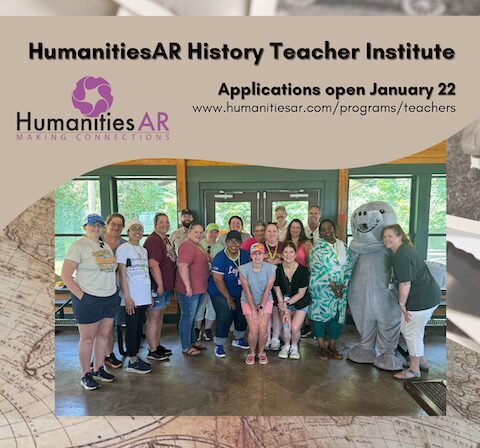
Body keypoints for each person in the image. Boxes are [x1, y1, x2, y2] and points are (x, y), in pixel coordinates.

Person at [61, 213, 120, 391]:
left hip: (109, 297)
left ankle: (98, 368)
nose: (96, 228)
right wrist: (82, 297)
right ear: (85, 226)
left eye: (99, 225)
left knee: (103, 335)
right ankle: (85, 374)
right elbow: (65, 275)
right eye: (92, 225)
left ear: (103, 227)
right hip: (88, 298)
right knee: (87, 339)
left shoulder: (105, 245)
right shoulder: (79, 246)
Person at [383, 224, 441, 379]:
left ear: (399, 236)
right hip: (429, 296)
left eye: (390, 236)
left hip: (421, 299)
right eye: (385, 236)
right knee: (411, 329)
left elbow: (405, 283)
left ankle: (414, 370)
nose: (386, 239)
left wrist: (401, 304)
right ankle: (421, 360)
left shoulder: (401, 255)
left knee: (411, 333)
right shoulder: (404, 250)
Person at [308, 219, 352, 361]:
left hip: (341, 289)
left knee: (337, 317)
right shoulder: (316, 249)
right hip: (322, 289)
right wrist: (332, 285)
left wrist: (342, 285)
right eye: (324, 230)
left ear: (335, 229)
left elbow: (348, 267)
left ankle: (332, 347)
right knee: (320, 317)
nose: (328, 231)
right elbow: (316, 269)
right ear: (320, 233)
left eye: (330, 228)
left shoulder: (343, 246)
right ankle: (321, 347)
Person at [116, 220, 152, 374]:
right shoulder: (123, 249)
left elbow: (145, 274)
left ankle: (136, 356)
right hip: (131, 297)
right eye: (134, 229)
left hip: (143, 296)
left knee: (139, 328)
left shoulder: (143, 250)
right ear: (128, 231)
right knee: (131, 328)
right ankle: (132, 360)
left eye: (141, 229)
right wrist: (127, 297)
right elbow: (122, 274)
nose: (138, 231)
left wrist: (149, 295)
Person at [209, 230, 250, 357]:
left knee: (242, 312)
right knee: (226, 314)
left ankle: (239, 339)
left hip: (238, 290)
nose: (234, 244)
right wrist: (229, 298)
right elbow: (217, 280)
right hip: (219, 291)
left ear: (241, 243)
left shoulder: (244, 255)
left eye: (237, 241)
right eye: (230, 241)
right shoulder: (220, 257)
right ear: (226, 243)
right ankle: (219, 345)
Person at [143, 213, 176, 361]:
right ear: (155, 224)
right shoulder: (153, 241)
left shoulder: (165, 239)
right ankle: (152, 350)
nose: (165, 224)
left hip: (166, 287)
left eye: (167, 221)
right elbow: (153, 264)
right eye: (161, 222)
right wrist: (160, 285)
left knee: (159, 317)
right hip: (157, 287)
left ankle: (157, 345)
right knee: (153, 318)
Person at [175, 222, 210, 356]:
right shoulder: (187, 245)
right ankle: (186, 346)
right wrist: (188, 287)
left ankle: (192, 341)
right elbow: (183, 266)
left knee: (191, 316)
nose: (199, 234)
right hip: (189, 290)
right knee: (187, 317)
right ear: (189, 232)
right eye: (196, 232)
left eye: (201, 232)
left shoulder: (197, 245)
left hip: (198, 288)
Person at [239, 243, 277, 365]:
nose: (257, 256)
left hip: (265, 300)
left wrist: (260, 308)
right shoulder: (243, 269)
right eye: (254, 253)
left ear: (264, 255)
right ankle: (251, 352)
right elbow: (247, 292)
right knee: (253, 329)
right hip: (247, 300)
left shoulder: (271, 269)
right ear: (251, 255)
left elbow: (267, 290)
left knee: (263, 329)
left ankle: (261, 352)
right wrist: (253, 310)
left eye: (260, 253)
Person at [274, 242, 311, 359]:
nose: (288, 255)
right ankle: (286, 345)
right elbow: (277, 289)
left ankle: (294, 346)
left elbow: (301, 293)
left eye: (291, 252)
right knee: (286, 326)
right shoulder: (277, 270)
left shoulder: (303, 270)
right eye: (286, 252)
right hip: (284, 302)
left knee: (295, 327)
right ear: (282, 254)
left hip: (300, 302)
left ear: (295, 254)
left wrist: (286, 304)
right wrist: (282, 306)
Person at [101, 213, 127, 369]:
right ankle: (98, 356)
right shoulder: (98, 241)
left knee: (110, 324)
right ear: (107, 224)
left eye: (119, 225)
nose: (116, 227)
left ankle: (108, 354)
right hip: (97, 288)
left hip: (115, 289)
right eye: (113, 224)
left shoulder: (124, 244)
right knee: (98, 326)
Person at [195, 223, 223, 341]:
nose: (213, 234)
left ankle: (207, 329)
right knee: (200, 304)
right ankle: (197, 329)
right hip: (200, 278)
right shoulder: (198, 244)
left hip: (214, 279)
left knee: (212, 304)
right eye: (211, 231)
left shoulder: (220, 247)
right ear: (206, 232)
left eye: (215, 232)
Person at [263, 222, 284, 351]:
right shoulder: (259, 246)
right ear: (265, 233)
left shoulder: (283, 246)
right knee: (266, 310)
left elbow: (289, 258)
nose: (271, 234)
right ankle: (266, 337)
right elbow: (253, 259)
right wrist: (270, 262)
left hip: (280, 281)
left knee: (277, 310)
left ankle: (275, 337)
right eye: (269, 231)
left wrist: (274, 262)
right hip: (264, 282)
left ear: (278, 233)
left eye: (274, 231)